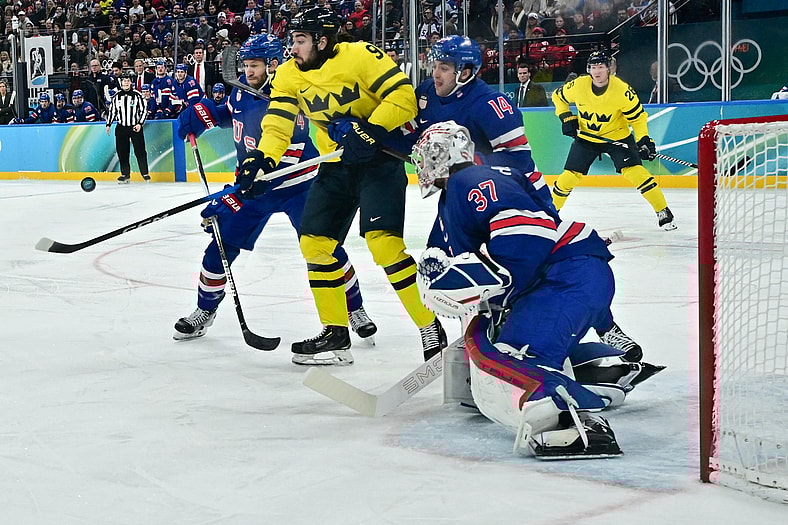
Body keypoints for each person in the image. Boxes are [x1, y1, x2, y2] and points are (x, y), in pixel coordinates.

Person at [412, 121, 662, 458]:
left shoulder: (463, 183)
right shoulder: (482, 180)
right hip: (575, 274)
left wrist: (499, 288)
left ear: (446, 153)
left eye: (429, 154)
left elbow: (530, 232)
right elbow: (540, 218)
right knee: (512, 341)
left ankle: (570, 419)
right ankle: (604, 371)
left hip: (565, 278)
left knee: (504, 357)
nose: (422, 163)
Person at [237, 7, 446, 366]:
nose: (293, 48)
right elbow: (278, 124)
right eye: (292, 40)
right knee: (315, 244)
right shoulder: (288, 73)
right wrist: (263, 159)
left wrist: (371, 128)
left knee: (384, 246)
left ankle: (430, 326)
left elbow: (403, 97)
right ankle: (335, 332)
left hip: (380, 161)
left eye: (300, 40)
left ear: (322, 39)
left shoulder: (360, 55)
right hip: (337, 164)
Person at [174, 33, 377, 352]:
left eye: (253, 65)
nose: (247, 72)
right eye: (245, 65)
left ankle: (353, 308)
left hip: (300, 185)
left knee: (325, 248)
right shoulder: (243, 88)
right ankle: (205, 310)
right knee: (221, 248)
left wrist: (252, 180)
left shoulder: (292, 90)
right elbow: (233, 113)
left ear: (273, 65)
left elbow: (292, 147)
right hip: (255, 185)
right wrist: (204, 116)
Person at [387, 35, 549, 203]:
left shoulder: (490, 103)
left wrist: (466, 164)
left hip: (518, 195)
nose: (435, 74)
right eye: (434, 66)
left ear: (465, 73)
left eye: (443, 68)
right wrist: (374, 135)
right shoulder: (426, 93)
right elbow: (411, 138)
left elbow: (518, 156)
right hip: (466, 190)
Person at [552, 51, 677, 230]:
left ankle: (663, 211)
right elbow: (558, 97)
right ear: (589, 69)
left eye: (601, 67)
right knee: (568, 177)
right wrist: (566, 117)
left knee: (636, 173)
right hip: (587, 138)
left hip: (617, 138)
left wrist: (643, 140)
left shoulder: (622, 90)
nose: (597, 72)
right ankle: (550, 214)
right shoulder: (578, 85)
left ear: (608, 69)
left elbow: (638, 117)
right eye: (593, 67)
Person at [105, 71, 150, 183]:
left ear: (131, 82)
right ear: (121, 83)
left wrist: (140, 124)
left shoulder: (137, 95)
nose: (126, 82)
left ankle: (145, 173)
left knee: (140, 151)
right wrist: (108, 124)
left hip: (135, 127)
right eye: (124, 80)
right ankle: (125, 174)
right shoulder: (116, 97)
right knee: (122, 152)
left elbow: (144, 110)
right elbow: (112, 111)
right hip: (121, 127)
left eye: (127, 80)